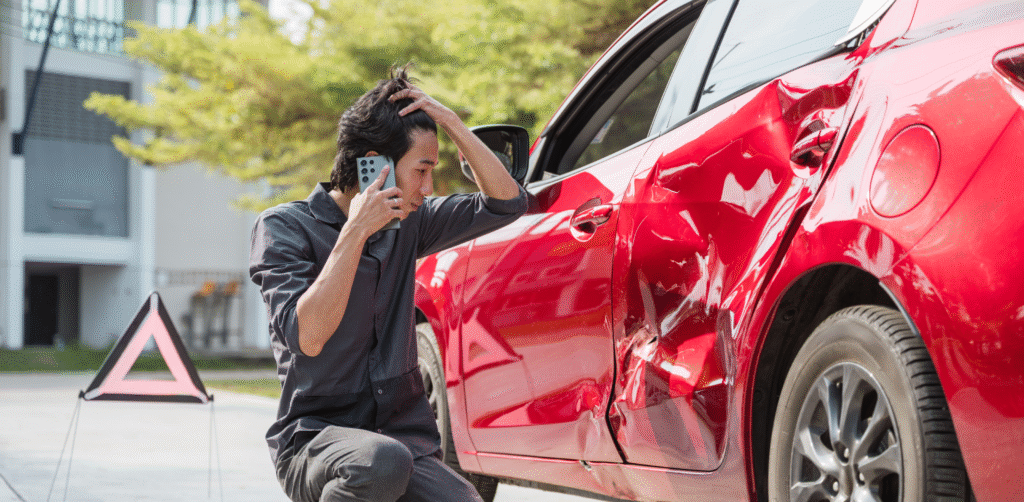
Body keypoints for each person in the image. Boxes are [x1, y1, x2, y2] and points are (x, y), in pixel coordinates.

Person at [249, 66, 527, 502]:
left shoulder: (412, 223)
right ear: (374, 166)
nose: (429, 187)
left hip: (404, 444)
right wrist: (354, 233)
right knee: (379, 463)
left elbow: (506, 203)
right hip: (316, 444)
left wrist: (452, 122)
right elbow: (310, 337)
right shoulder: (284, 228)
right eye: (422, 170)